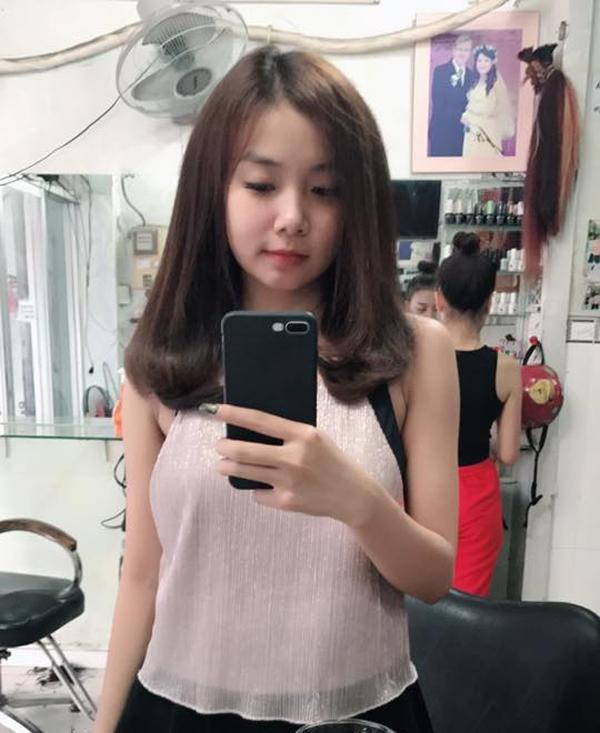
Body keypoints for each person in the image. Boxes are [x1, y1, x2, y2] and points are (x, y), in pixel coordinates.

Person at [93, 46, 459, 733]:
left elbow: (435, 577)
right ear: (214, 190)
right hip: (180, 710)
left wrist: (357, 500)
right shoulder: (161, 363)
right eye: (261, 184)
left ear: (357, 203)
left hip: (352, 714)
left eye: (325, 189)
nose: (292, 216)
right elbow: (141, 573)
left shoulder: (416, 354)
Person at [435, 232, 522, 597]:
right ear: (490, 301)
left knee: (409, 605)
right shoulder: (506, 368)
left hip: (420, 487)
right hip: (476, 496)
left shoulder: (414, 360)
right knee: (465, 608)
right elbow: (508, 453)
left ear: (439, 299)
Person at [461, 44, 515, 157]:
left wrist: (476, 118)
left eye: (486, 60)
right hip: (471, 132)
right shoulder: (474, 82)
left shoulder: (496, 84)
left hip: (487, 131)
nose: (482, 64)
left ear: (492, 62)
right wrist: (466, 116)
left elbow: (499, 109)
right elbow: (471, 104)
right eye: (479, 61)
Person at [429, 34, 477, 157]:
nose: (462, 53)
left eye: (466, 50)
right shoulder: (440, 71)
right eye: (460, 49)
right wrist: (460, 117)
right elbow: (438, 103)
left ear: (470, 53)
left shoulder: (472, 76)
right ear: (454, 50)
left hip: (463, 135)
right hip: (442, 133)